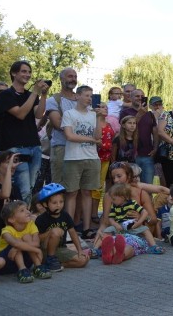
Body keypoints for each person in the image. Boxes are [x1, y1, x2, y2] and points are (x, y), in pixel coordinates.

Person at [0, 61, 49, 202]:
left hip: (34, 146)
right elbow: (20, 113)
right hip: (15, 147)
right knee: (22, 189)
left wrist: (43, 95)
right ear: (13, 73)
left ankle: (24, 217)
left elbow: (39, 114)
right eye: (23, 71)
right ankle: (19, 219)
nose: (27, 75)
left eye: (29, 72)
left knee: (29, 189)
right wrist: (34, 92)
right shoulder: (6, 95)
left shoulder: (30, 95)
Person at [62, 85, 104, 240]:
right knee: (71, 193)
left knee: (87, 192)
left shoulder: (93, 115)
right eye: (86, 95)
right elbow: (69, 135)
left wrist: (100, 118)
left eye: (91, 96)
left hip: (92, 157)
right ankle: (69, 229)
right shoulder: (69, 113)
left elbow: (98, 136)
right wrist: (91, 139)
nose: (89, 98)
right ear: (77, 96)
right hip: (73, 158)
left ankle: (86, 228)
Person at [0, 200, 51, 282]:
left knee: (26, 237)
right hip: (5, 263)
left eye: (27, 209)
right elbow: (16, 244)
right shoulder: (6, 231)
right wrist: (36, 250)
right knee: (17, 242)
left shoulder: (30, 224)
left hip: (24, 259)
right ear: (12, 219)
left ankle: (38, 266)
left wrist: (17, 248)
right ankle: (21, 269)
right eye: (22, 210)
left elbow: (36, 243)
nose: (27, 212)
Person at [43, 67, 78, 187]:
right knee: (59, 185)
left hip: (81, 149)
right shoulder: (53, 100)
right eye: (70, 76)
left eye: (75, 77)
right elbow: (58, 124)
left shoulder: (83, 99)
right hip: (61, 147)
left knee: (78, 187)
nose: (73, 79)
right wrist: (81, 125)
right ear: (61, 79)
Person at [118, 89, 158, 184]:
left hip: (147, 154)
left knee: (147, 186)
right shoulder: (124, 112)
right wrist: (139, 114)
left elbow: (155, 132)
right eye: (137, 96)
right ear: (130, 98)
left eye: (142, 96)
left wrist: (155, 148)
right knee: (130, 186)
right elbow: (126, 128)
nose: (140, 98)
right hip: (131, 156)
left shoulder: (150, 114)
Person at [0, 151, 20, 251]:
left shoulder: (16, 188)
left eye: (14, 162)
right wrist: (9, 170)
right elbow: (5, 194)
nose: (13, 165)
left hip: (15, 242)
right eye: (8, 162)